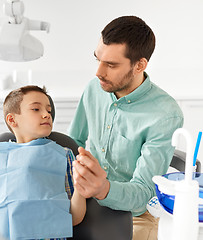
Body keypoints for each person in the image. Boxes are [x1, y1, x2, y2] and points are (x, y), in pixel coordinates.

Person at [68, 16, 183, 240]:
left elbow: (143, 193)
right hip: (85, 199)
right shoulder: (94, 88)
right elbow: (75, 142)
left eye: (111, 65)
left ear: (139, 65)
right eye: (98, 59)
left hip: (135, 215)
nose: (98, 72)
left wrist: (102, 189)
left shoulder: (165, 114)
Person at [0, 85, 86, 240]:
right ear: (12, 119)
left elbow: (73, 217)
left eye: (49, 110)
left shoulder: (63, 155)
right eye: (36, 109)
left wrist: (81, 185)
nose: (46, 115)